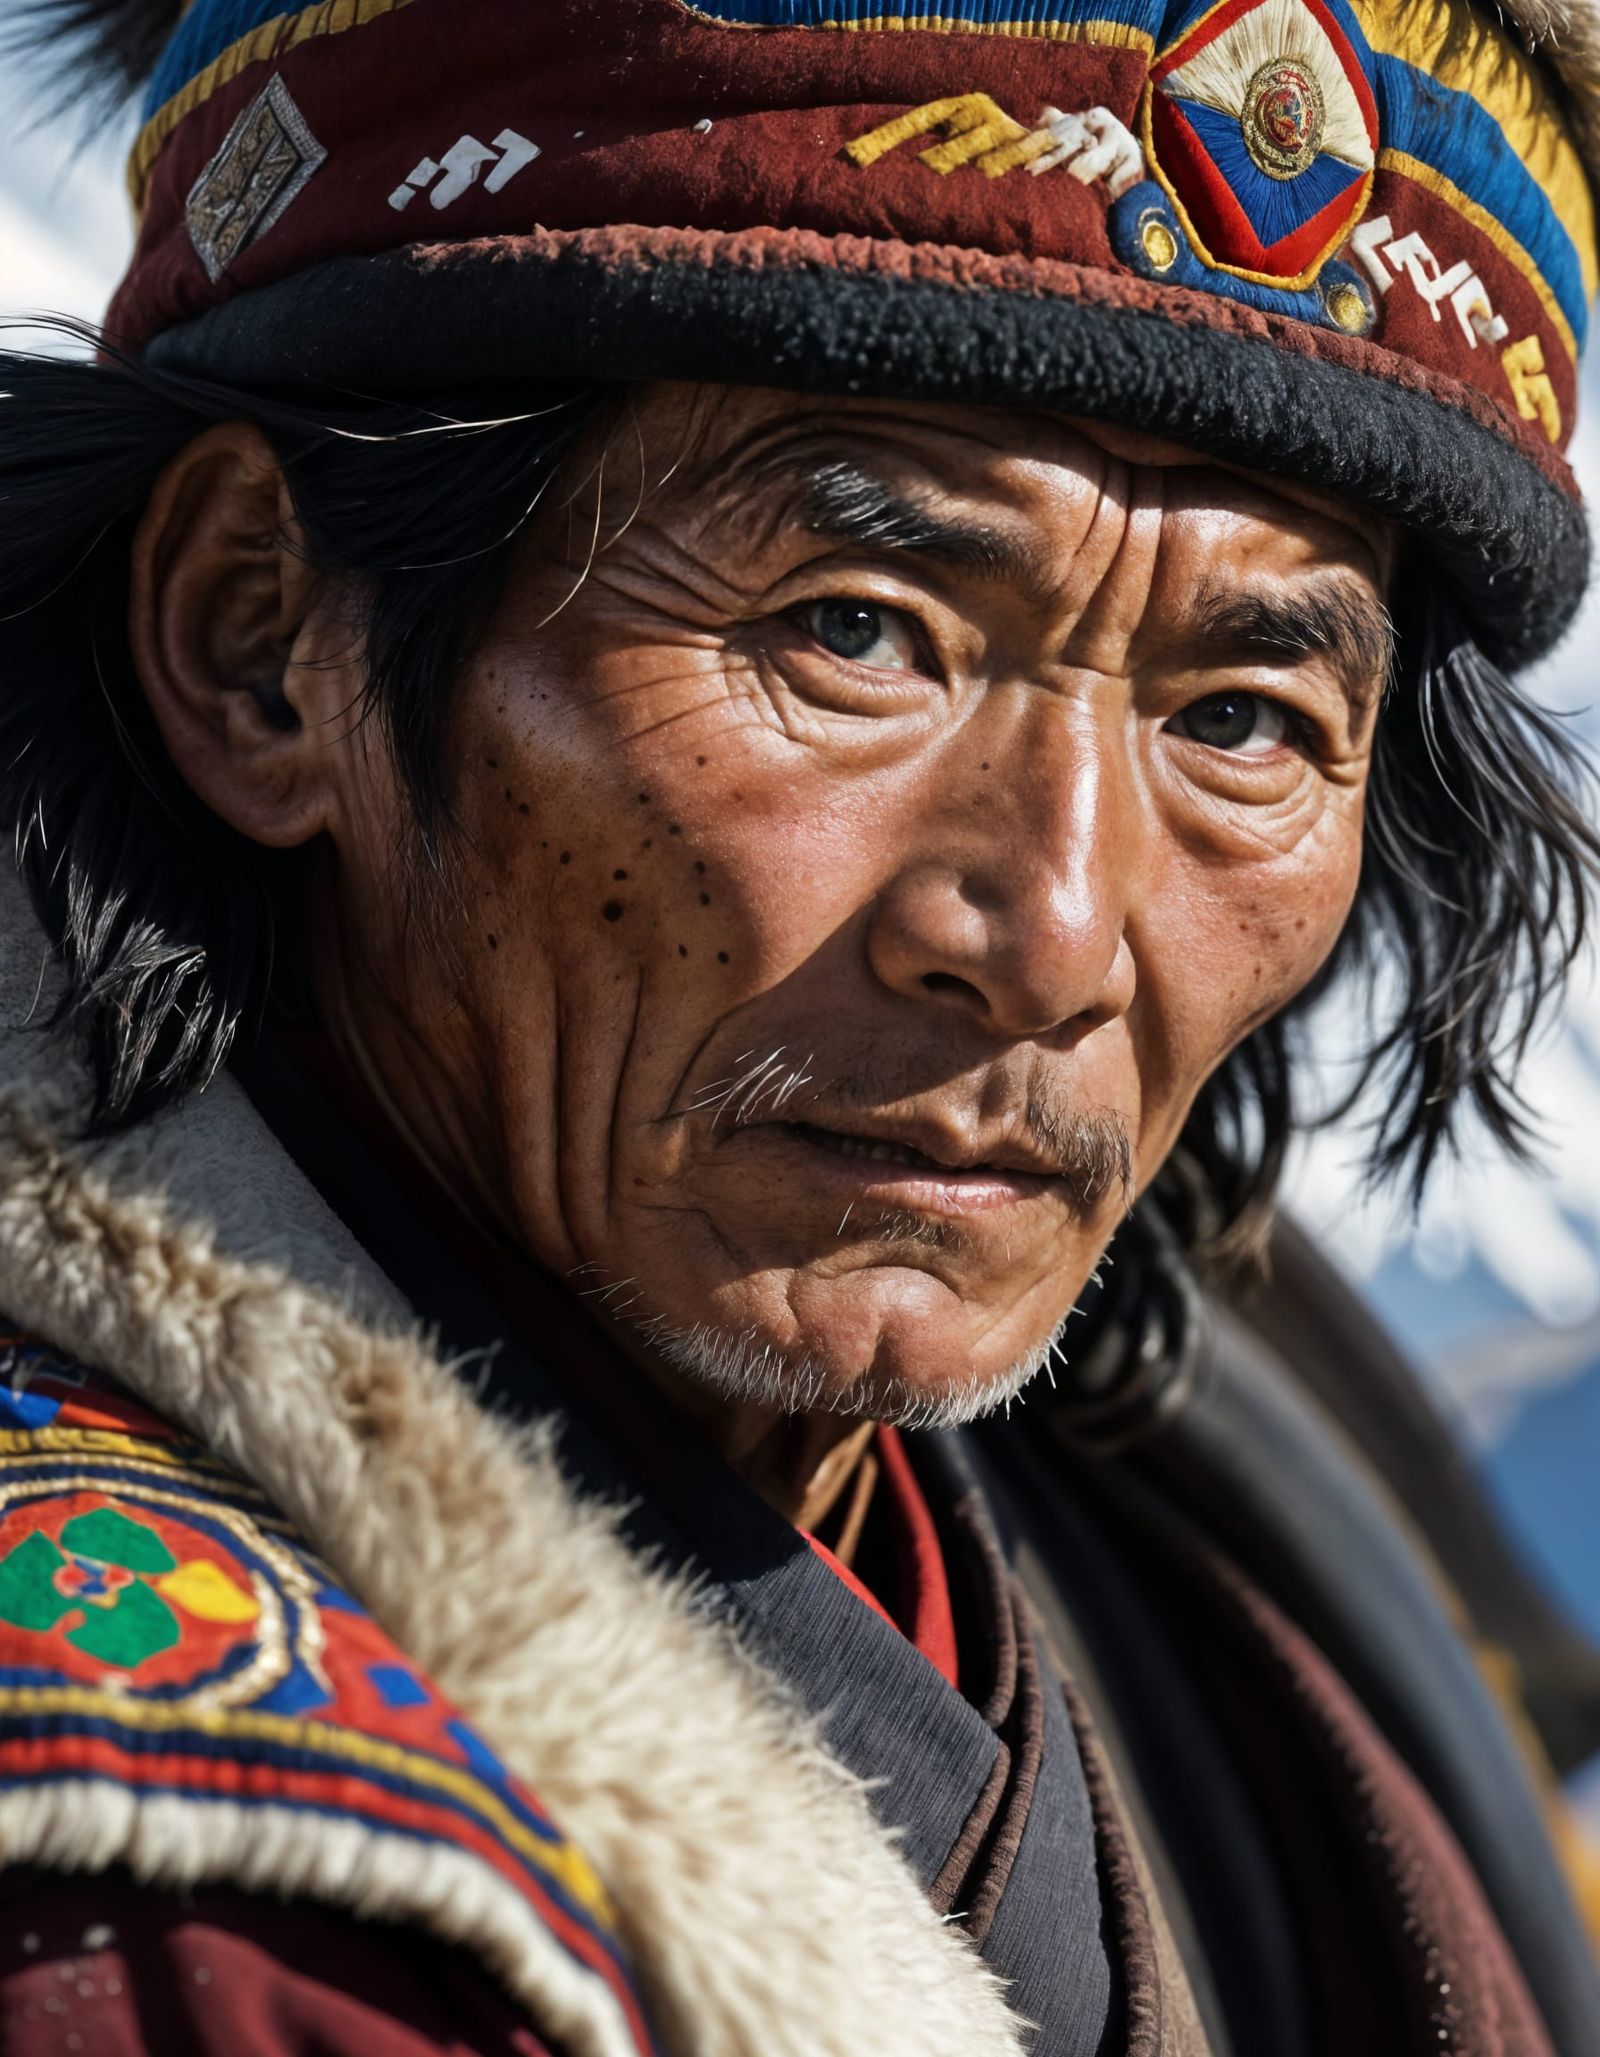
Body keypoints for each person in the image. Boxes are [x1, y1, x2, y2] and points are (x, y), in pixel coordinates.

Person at [0, 0, 1598, 2049]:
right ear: (260, 643)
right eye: (851, 631)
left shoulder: (1194, 1627)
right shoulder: (171, 1915)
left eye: (1239, 723)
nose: (1048, 935)